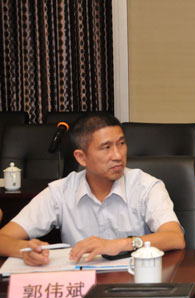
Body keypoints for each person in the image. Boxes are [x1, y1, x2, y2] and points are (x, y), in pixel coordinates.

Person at [0, 113, 185, 266]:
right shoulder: (60, 192)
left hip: (134, 281)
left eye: (121, 143)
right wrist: (24, 250)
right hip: (81, 286)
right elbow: (3, 238)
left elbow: (175, 238)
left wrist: (119, 244)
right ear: (81, 158)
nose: (118, 155)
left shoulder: (146, 186)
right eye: (106, 147)